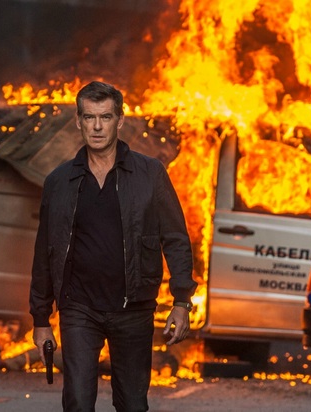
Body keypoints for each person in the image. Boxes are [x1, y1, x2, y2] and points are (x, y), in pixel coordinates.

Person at [29, 80, 197, 412]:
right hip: (79, 308)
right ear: (78, 121)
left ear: (120, 121)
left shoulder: (149, 174)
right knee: (78, 401)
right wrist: (41, 318)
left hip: (133, 308)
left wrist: (181, 301)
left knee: (132, 404)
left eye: (105, 117)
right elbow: (45, 251)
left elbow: (176, 239)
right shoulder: (59, 182)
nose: (97, 126)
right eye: (89, 117)